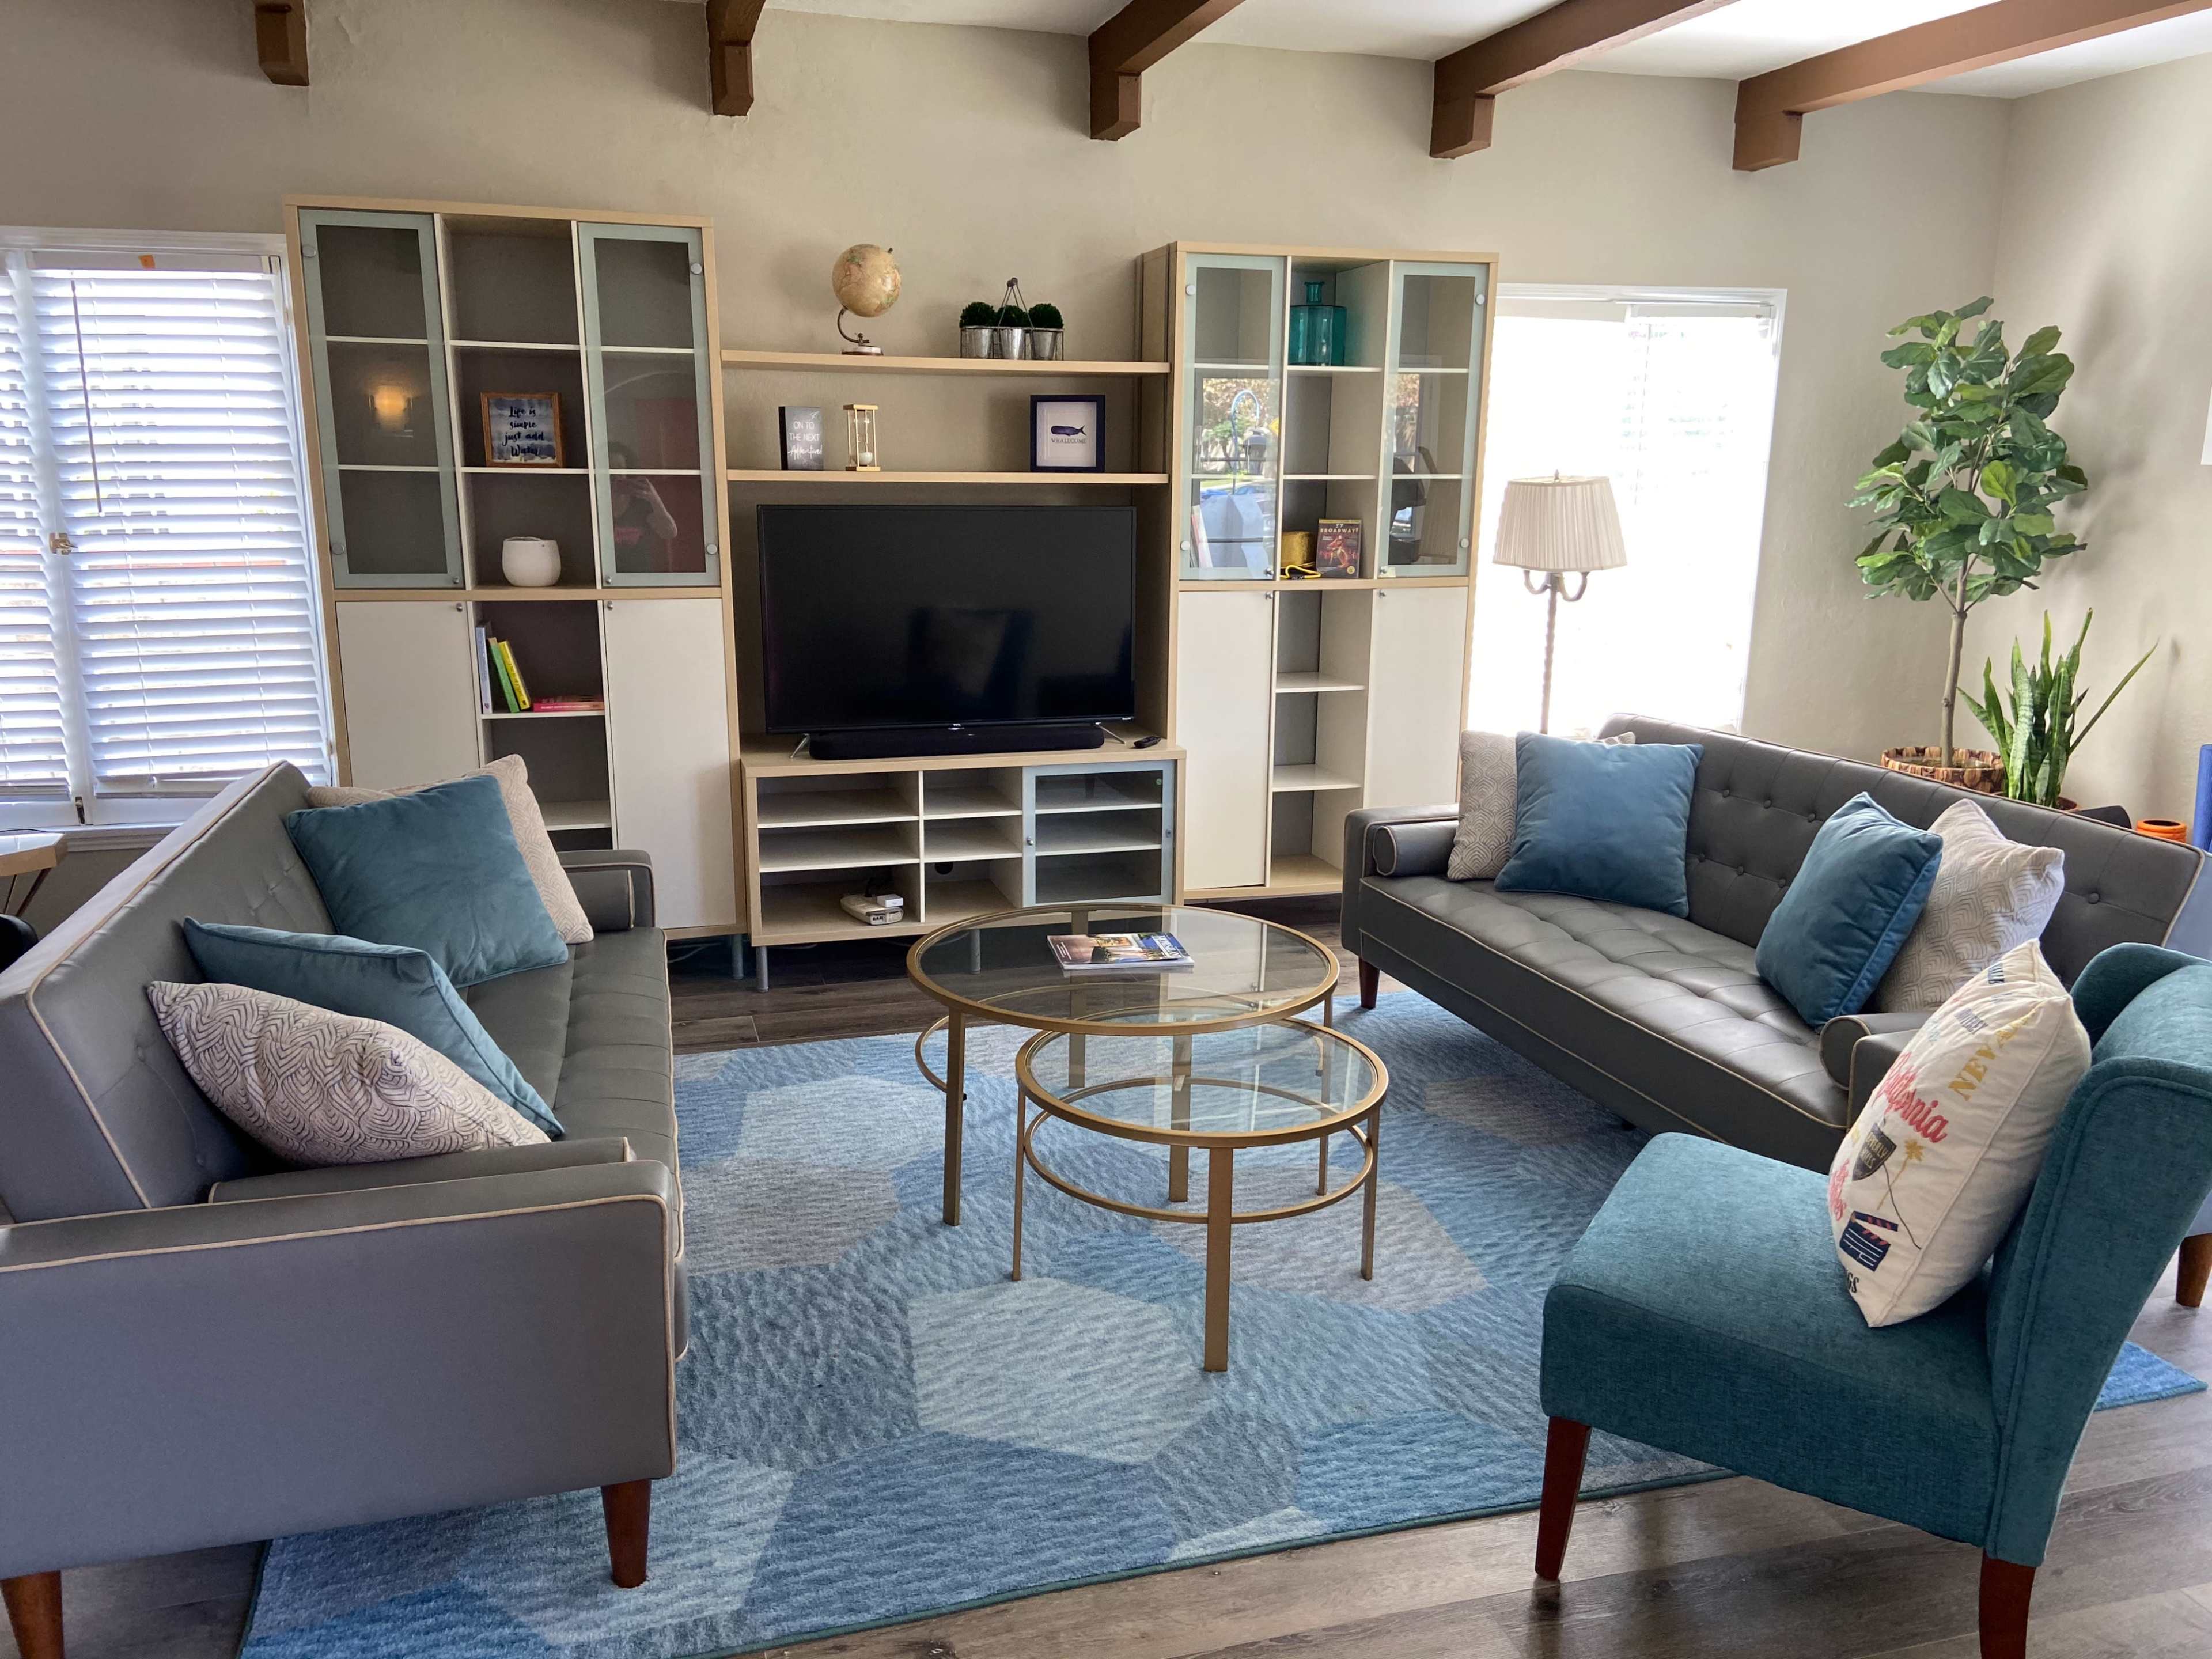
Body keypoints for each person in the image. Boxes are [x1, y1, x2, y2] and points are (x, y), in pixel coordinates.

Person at [607, 440, 681, 573]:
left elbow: (670, 533)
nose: (615, 475)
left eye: (620, 468)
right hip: (607, 578)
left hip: (642, 579)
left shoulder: (641, 504)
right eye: (610, 469)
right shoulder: (595, 505)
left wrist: (655, 499)